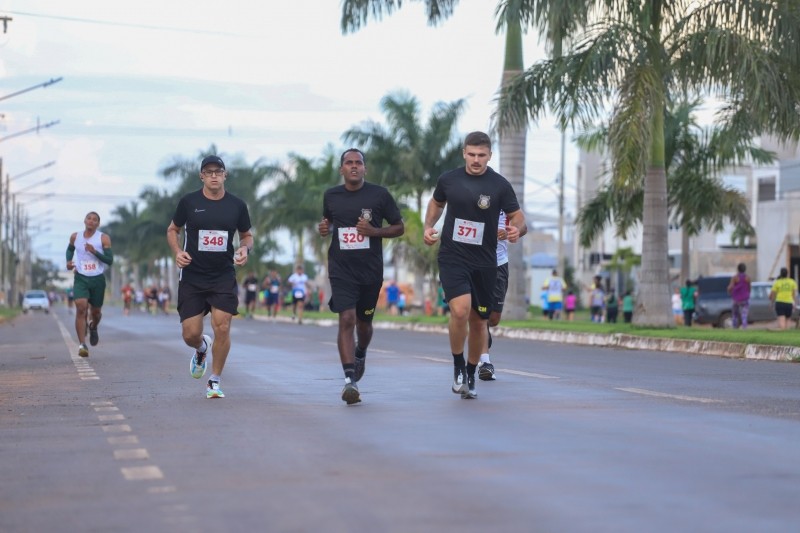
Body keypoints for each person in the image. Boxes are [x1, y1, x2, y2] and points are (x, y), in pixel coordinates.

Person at [423, 131, 527, 400]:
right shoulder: (449, 180)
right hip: (453, 256)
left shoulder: (500, 186)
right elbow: (436, 202)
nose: (476, 160)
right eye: (472, 154)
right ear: (464, 153)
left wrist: (516, 231)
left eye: (482, 155)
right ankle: (458, 367)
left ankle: (471, 373)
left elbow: (518, 218)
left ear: (490, 156)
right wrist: (428, 226)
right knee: (460, 311)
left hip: (485, 261)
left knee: (481, 322)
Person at [318, 148, 404, 404]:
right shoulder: (331, 196)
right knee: (346, 318)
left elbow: (399, 227)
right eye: (349, 163)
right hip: (341, 269)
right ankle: (349, 381)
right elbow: (330, 221)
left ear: (365, 168)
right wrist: (326, 227)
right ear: (341, 169)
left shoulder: (379, 195)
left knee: (363, 326)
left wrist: (374, 231)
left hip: (370, 271)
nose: (354, 166)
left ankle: (361, 351)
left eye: (358, 163)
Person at [166, 155, 254, 399]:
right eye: (209, 171)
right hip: (193, 275)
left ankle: (214, 381)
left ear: (225, 175)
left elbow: (247, 235)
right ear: (201, 176)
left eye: (218, 171)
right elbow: (173, 229)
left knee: (222, 326)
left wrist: (245, 249)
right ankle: (201, 347)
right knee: (190, 334)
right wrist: (178, 252)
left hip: (222, 275)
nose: (214, 175)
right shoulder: (189, 202)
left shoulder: (236, 205)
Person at [478, 209, 528, 381]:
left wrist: (511, 232)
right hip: (476, 263)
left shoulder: (504, 197)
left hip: (499, 263)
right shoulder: (472, 197)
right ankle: (485, 362)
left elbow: (523, 226)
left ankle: (483, 331)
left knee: (494, 319)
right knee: (481, 316)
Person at [66, 211, 113, 358]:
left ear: (98, 224)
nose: (91, 221)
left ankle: (93, 326)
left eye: (94, 220)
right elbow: (70, 249)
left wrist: (94, 252)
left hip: (97, 279)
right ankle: (82, 345)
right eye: (89, 218)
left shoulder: (103, 238)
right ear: (85, 220)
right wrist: (68, 261)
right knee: (81, 308)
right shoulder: (76, 237)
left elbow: (109, 260)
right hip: (81, 277)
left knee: (96, 312)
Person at [727, 263, 751, 329]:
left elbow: (730, 287)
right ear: (745, 269)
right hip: (745, 298)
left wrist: (729, 291)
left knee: (735, 314)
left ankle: (735, 327)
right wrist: (748, 294)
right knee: (744, 314)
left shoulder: (735, 277)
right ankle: (744, 327)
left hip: (736, 298)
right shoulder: (747, 278)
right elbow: (749, 288)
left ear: (738, 269)